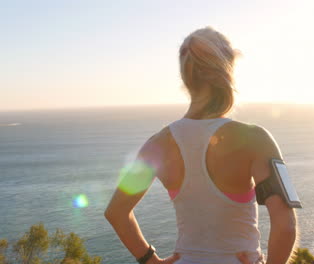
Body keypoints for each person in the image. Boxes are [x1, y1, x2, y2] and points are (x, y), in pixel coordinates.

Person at [105, 26, 297, 264]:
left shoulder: (156, 145)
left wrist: (150, 260)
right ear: (228, 72)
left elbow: (116, 212)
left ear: (185, 77)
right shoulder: (255, 138)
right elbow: (285, 226)